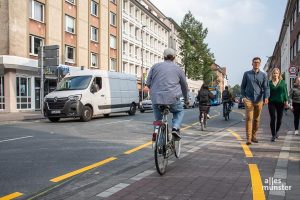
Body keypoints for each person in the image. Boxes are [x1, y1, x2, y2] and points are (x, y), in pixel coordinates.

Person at [146, 48, 189, 141]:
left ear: (164, 57)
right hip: (173, 98)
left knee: (158, 120)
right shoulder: (178, 69)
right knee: (179, 111)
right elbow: (184, 86)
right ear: (174, 57)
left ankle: (159, 143)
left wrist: (155, 92)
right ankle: (175, 128)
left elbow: (148, 83)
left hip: (156, 99)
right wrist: (186, 99)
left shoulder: (155, 67)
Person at [241, 57, 270, 145]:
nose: (256, 64)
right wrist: (244, 97)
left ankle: (254, 136)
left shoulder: (263, 75)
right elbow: (242, 87)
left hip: (259, 100)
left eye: (258, 62)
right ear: (252, 63)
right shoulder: (246, 74)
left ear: (260, 64)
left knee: (256, 119)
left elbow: (266, 87)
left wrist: (266, 97)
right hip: (249, 99)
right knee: (249, 118)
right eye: (255, 62)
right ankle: (248, 139)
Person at [268, 68, 288, 142]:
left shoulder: (282, 82)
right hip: (271, 102)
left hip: (280, 102)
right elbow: (267, 92)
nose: (275, 74)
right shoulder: (269, 83)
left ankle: (276, 132)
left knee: (279, 119)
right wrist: (265, 98)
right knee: (273, 118)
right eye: (274, 73)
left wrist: (286, 101)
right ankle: (273, 135)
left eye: (276, 73)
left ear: (279, 74)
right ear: (272, 74)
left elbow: (285, 92)